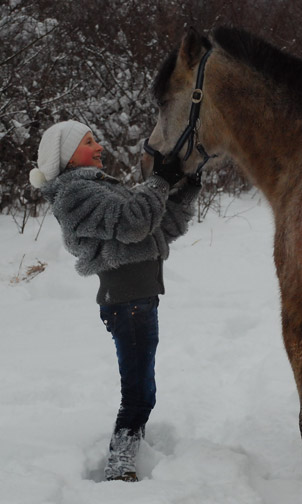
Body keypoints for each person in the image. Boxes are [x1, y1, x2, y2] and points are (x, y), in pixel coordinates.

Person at [29, 120, 201, 482]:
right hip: (126, 304)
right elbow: (133, 223)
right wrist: (159, 182)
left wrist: (183, 192)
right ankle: (119, 465)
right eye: (88, 141)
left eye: (95, 139)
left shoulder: (103, 191)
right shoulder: (75, 196)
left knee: (144, 385)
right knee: (137, 392)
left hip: (139, 300)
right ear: (68, 157)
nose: (99, 146)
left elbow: (157, 227)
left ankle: (133, 443)